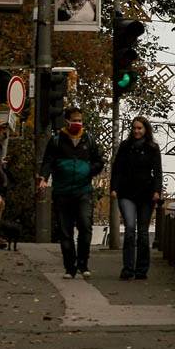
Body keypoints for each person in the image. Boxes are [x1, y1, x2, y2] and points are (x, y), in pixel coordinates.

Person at [38, 107, 104, 279]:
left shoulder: (88, 139)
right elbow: (48, 162)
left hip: (83, 191)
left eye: (80, 120)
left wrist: (89, 170)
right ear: (66, 121)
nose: (77, 123)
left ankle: (83, 263)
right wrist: (43, 178)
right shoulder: (57, 140)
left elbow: (99, 161)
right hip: (62, 192)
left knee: (85, 225)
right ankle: (70, 267)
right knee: (65, 230)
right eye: (74, 120)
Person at [110, 116, 163, 281]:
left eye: (139, 128)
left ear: (146, 129)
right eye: (134, 128)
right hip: (127, 193)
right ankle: (127, 268)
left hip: (146, 195)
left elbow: (158, 172)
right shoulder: (125, 147)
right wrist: (114, 188)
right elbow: (117, 169)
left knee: (143, 232)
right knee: (130, 229)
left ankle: (141, 269)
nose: (136, 131)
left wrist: (157, 191)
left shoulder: (153, 148)